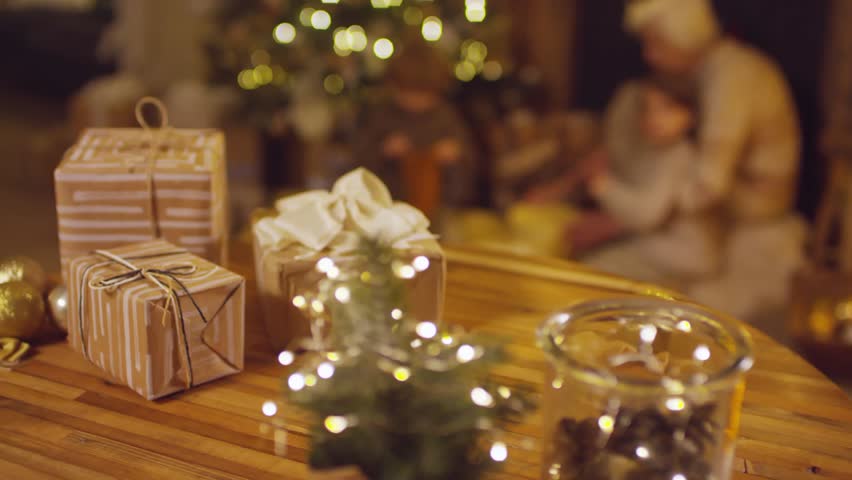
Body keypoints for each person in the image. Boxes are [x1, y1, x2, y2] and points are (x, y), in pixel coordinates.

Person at [613, 0, 805, 318]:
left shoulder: (732, 76)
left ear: (683, 34)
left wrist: (639, 213)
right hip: (720, 213)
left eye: (655, 41)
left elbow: (709, 186)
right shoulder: (713, 70)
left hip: (751, 216)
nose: (648, 54)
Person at [582, 76, 721, 286]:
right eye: (647, 109)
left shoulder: (678, 157)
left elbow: (648, 214)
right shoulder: (662, 153)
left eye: (667, 109)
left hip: (677, 254)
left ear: (690, 115)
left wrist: (605, 188)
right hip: (665, 247)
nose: (654, 118)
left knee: (595, 273)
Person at [355, 40, 476, 223]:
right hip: (387, 206)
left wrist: (454, 155)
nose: (416, 102)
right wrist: (383, 150)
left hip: (438, 207)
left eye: (424, 95)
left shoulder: (445, 117)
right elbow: (358, 162)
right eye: (410, 94)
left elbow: (470, 164)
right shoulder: (381, 115)